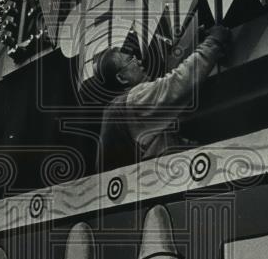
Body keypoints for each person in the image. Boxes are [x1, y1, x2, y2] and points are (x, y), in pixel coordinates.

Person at [97, 25, 231, 169]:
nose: (139, 61)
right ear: (122, 78)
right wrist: (213, 42)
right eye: (131, 59)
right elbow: (178, 82)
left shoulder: (116, 111)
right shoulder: (134, 100)